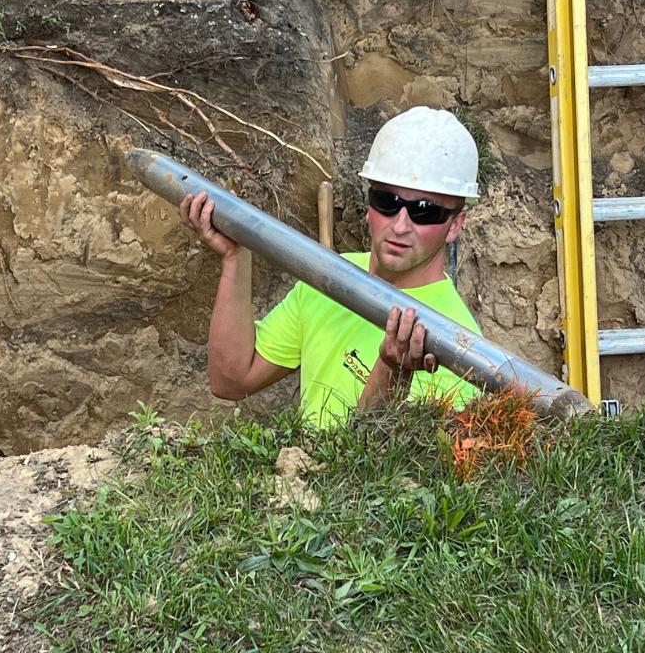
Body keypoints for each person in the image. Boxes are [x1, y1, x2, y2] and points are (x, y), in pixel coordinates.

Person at [179, 106, 483, 427]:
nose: (400, 225)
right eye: (387, 202)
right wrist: (234, 257)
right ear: (369, 205)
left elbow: (376, 471)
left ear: (454, 224)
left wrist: (393, 372)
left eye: (424, 211)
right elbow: (231, 380)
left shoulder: (458, 350)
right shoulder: (327, 281)